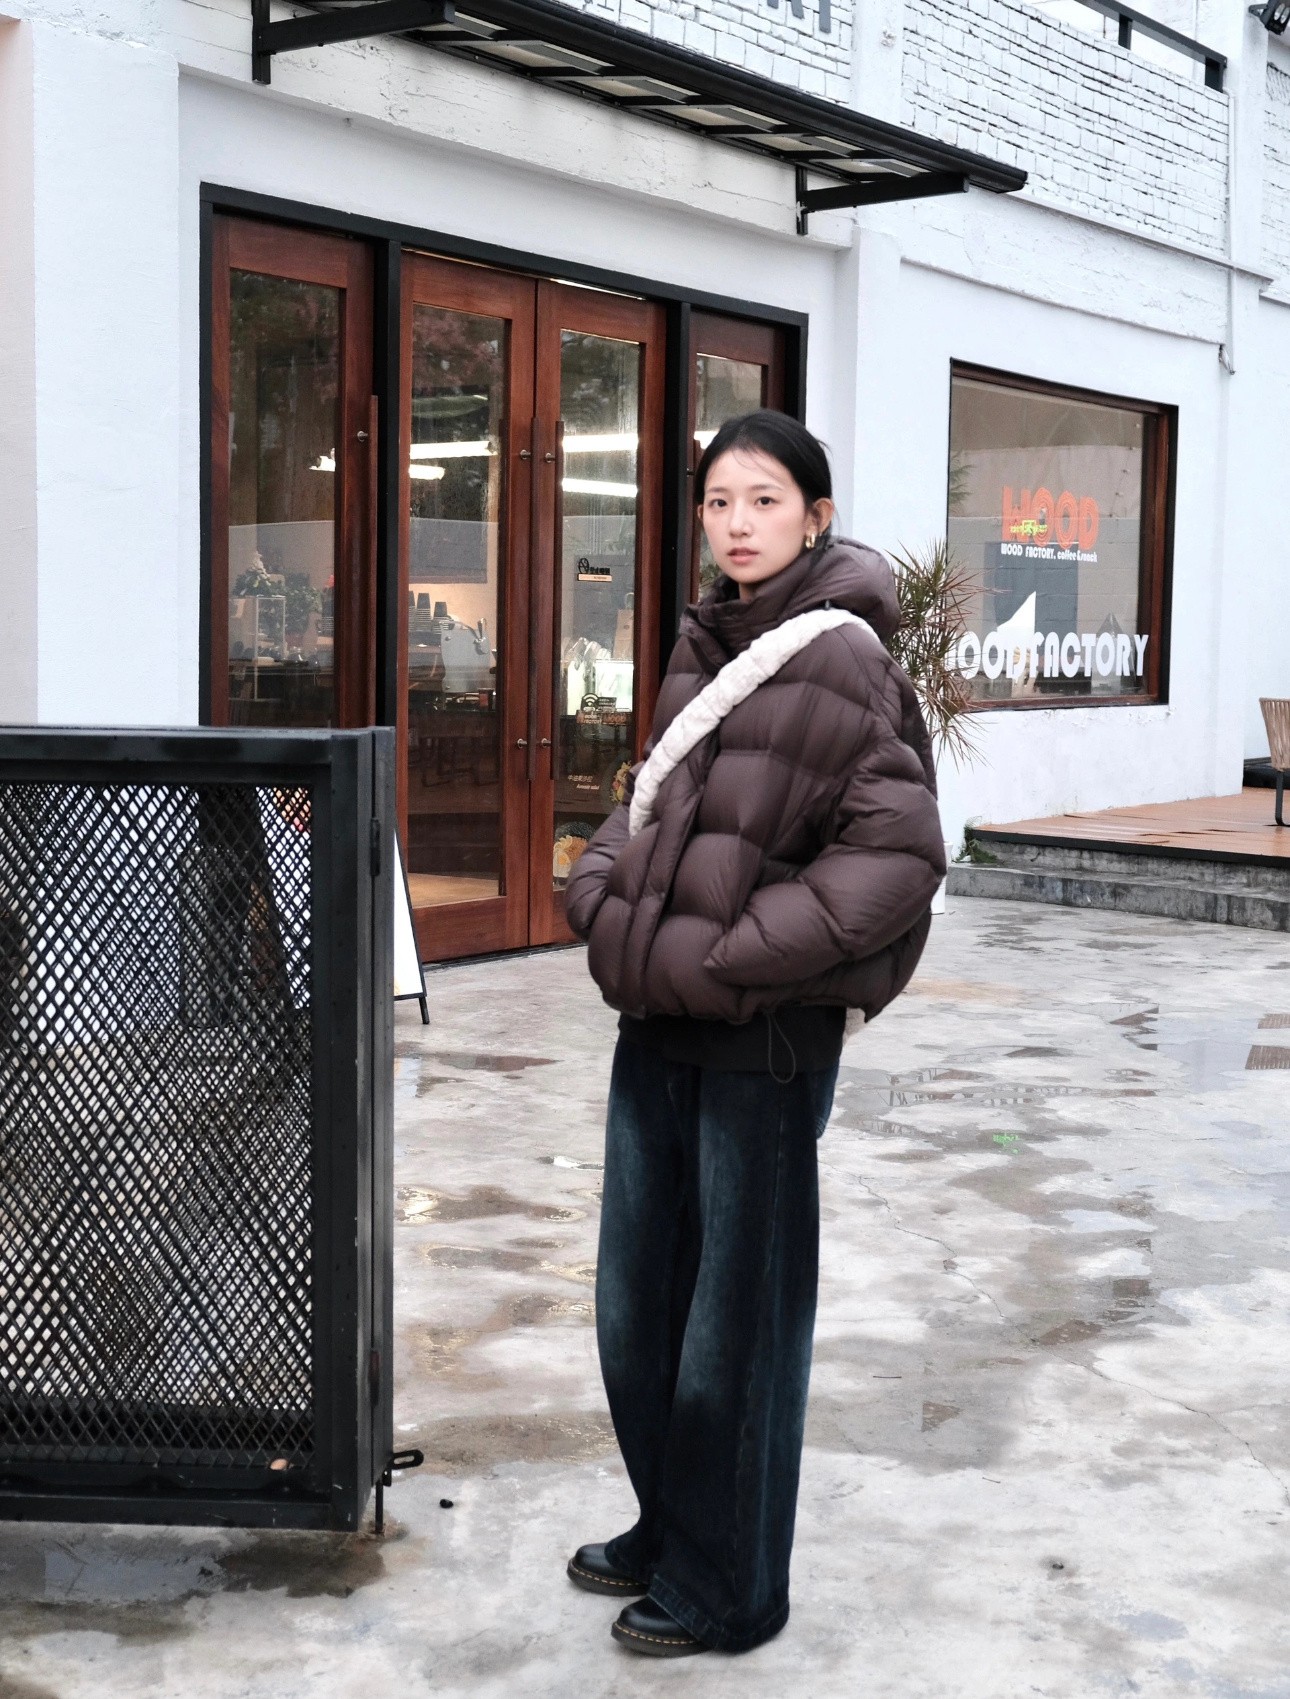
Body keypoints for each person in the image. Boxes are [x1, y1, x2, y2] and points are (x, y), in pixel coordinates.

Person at [563, 410, 945, 1657]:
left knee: (737, 1319)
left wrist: (731, 956)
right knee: (638, 1303)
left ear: (816, 517)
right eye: (720, 500)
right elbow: (648, 803)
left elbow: (898, 855)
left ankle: (732, 1585)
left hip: (760, 1040)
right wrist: (599, 897)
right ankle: (674, 1523)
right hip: (658, 1022)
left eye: (765, 499)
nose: (738, 522)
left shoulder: (844, 658)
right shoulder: (702, 642)